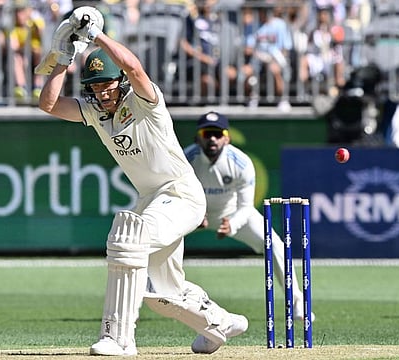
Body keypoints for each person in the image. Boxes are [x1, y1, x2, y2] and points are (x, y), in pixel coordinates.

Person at [37, 6, 248, 356]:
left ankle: (118, 339)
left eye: (106, 85)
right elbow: (49, 104)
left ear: (119, 83)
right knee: (162, 295)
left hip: (181, 194)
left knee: (127, 238)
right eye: (94, 88)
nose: (102, 94)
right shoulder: (94, 111)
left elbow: (134, 67)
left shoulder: (145, 102)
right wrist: (64, 57)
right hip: (153, 199)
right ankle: (221, 323)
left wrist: (98, 36)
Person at [184, 111, 316, 322]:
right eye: (207, 133)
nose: (212, 139)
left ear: (227, 138)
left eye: (218, 134)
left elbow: (246, 206)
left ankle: (298, 301)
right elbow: (180, 192)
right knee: (161, 242)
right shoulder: (186, 159)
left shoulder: (241, 163)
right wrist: (196, 213)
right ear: (198, 137)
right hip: (196, 212)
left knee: (274, 244)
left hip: (232, 212)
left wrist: (233, 224)